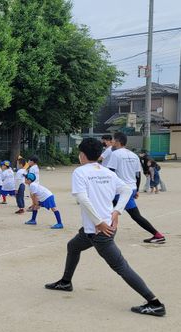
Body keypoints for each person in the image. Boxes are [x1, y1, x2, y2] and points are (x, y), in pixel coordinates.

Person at [44, 138, 165, 317]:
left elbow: (83, 199)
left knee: (121, 267)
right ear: (100, 155)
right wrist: (117, 211)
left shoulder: (80, 172)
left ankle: (154, 303)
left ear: (82, 155)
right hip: (95, 228)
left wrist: (100, 221)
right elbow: (126, 190)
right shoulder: (107, 172)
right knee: (73, 246)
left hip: (101, 230)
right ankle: (65, 282)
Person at [107, 132, 165, 243]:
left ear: (118, 142)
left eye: (113, 140)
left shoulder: (115, 154)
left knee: (134, 215)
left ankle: (158, 235)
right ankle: (107, 233)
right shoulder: (134, 155)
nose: (112, 142)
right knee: (112, 210)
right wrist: (136, 190)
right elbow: (138, 174)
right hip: (131, 189)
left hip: (121, 191)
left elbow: (111, 173)